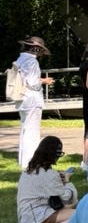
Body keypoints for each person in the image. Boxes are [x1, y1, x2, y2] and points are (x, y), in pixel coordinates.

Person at [17, 137, 78, 223]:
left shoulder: (28, 171)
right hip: (38, 216)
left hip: (25, 216)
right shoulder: (50, 174)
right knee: (81, 214)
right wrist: (67, 181)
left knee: (75, 206)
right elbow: (67, 198)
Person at [13, 35, 54, 169]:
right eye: (40, 50)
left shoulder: (21, 59)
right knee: (32, 133)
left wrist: (40, 80)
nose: (41, 53)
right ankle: (30, 161)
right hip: (31, 100)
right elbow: (33, 83)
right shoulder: (32, 61)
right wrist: (43, 81)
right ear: (36, 48)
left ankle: (23, 160)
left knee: (25, 130)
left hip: (22, 99)